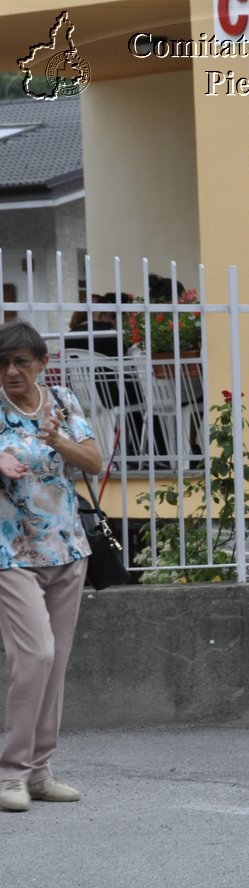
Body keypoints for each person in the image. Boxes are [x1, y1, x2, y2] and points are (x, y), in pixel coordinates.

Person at [0, 320, 103, 813]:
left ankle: (40, 772)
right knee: (35, 655)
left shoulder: (61, 402)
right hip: (9, 553)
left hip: (65, 547)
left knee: (54, 665)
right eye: (3, 363)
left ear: (42, 363)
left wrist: (58, 441)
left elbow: (94, 460)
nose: (11, 371)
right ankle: (11, 773)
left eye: (21, 361)